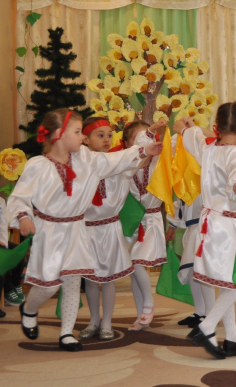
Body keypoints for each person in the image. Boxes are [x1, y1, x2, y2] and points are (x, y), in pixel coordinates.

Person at [8, 108, 160, 351]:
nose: (82, 137)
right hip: (50, 230)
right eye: (78, 132)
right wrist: (24, 217)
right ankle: (29, 308)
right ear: (59, 134)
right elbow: (19, 197)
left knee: (71, 281)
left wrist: (144, 150)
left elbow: (115, 160)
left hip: (78, 228)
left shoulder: (87, 159)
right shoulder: (38, 165)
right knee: (49, 284)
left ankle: (67, 333)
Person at [181, 102, 236, 359]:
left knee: (228, 279)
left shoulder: (208, 148)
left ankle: (233, 337)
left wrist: (188, 128)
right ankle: (206, 327)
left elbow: (193, 136)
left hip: (208, 222)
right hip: (225, 224)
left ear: (218, 125)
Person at [79, 116, 138, 340]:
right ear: (85, 139)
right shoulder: (81, 163)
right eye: (100, 135)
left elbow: (137, 160)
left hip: (110, 227)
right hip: (87, 228)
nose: (106, 139)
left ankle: (106, 323)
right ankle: (94, 320)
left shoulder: (117, 161)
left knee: (108, 278)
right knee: (91, 278)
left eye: (109, 135)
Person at [169, 117, 215, 329]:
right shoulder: (189, 164)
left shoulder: (208, 156)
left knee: (201, 270)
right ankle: (200, 312)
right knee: (193, 270)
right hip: (192, 223)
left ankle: (210, 315)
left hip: (204, 224)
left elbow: (209, 139)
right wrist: (173, 223)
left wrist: (190, 130)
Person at [126, 119, 170, 331]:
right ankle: (140, 315)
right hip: (131, 222)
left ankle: (149, 304)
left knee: (136, 262)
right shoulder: (126, 162)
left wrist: (151, 131)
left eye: (148, 137)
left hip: (151, 220)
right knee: (135, 269)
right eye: (138, 138)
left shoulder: (158, 161)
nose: (145, 142)